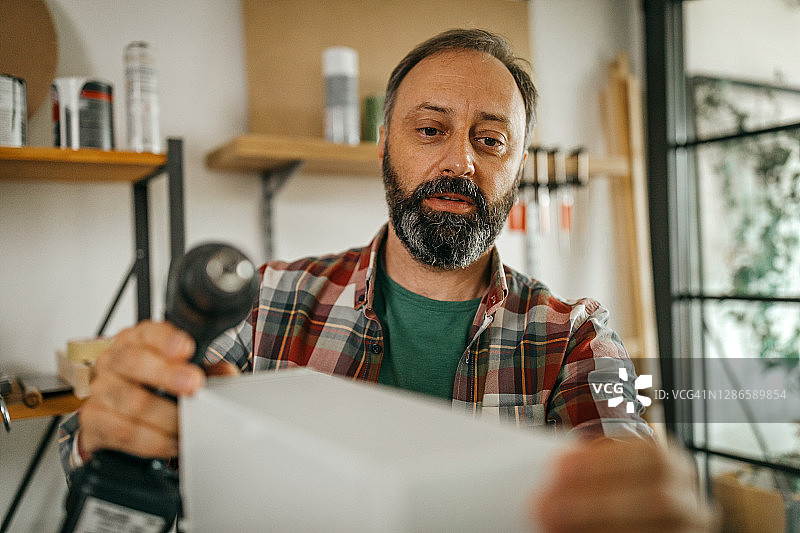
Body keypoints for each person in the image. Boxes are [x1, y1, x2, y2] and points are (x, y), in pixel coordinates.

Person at [59, 29, 714, 532]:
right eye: (430, 129)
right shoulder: (266, 302)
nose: (459, 159)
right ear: (383, 143)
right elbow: (102, 448)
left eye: (491, 141)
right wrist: (105, 427)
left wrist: (647, 494)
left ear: (519, 166)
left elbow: (622, 451)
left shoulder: (579, 338)